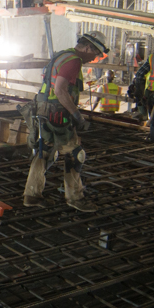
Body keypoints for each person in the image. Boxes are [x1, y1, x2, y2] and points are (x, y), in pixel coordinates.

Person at [22, 30, 109, 212]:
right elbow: (60, 90)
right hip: (57, 116)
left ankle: (31, 195)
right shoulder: (74, 60)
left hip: (44, 112)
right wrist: (77, 115)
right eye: (95, 54)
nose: (94, 58)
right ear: (87, 47)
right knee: (76, 154)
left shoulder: (62, 55)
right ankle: (75, 198)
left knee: (43, 153)